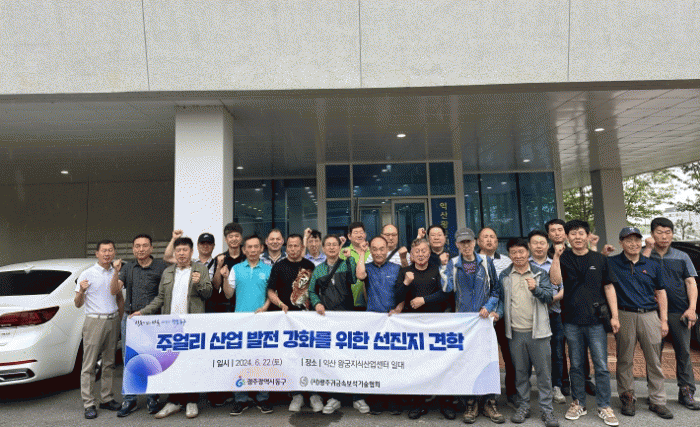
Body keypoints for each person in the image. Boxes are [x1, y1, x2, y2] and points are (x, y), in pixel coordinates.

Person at [132, 236, 212, 419]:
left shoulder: (200, 269)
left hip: (192, 326)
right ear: (175, 253)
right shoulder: (168, 272)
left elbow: (208, 294)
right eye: (179, 250)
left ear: (191, 252)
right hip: (171, 327)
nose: (182, 253)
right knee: (172, 363)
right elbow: (160, 298)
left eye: (185, 250)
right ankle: (174, 401)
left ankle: (191, 401)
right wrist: (143, 312)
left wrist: (199, 282)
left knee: (191, 363)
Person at [553, 220, 620, 426]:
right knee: (576, 365)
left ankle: (604, 406)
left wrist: (615, 316)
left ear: (588, 236)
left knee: (601, 365)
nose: (577, 237)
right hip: (571, 320)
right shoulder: (563, 258)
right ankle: (578, 403)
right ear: (567, 237)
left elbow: (608, 287)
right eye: (573, 234)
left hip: (596, 321)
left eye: (581, 233)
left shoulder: (599, 259)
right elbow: (555, 281)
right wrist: (556, 256)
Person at [442, 228, 504, 424]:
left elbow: (496, 290)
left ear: (475, 242)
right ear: (457, 245)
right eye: (462, 243)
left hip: (484, 321)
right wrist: (444, 268)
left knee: (488, 361)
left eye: (469, 242)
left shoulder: (486, 262)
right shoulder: (453, 264)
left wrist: (489, 307)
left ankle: (489, 402)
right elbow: (446, 289)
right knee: (467, 363)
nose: (466, 246)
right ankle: (470, 403)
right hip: (464, 324)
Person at [610, 226, 672, 419]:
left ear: (641, 242)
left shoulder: (652, 264)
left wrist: (664, 320)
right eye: (628, 240)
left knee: (654, 360)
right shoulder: (612, 263)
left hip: (649, 316)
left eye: (637, 240)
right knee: (625, 359)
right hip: (624, 314)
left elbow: (661, 292)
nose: (633, 244)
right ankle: (627, 397)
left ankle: (658, 401)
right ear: (621, 243)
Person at [497, 238, 558, 427]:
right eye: (513, 252)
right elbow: (501, 301)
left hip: (539, 333)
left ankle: (547, 410)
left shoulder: (540, 273)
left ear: (527, 253)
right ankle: (523, 406)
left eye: (521, 252)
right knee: (520, 373)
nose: (518, 256)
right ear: (509, 255)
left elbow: (549, 296)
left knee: (544, 374)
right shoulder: (505, 275)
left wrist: (536, 289)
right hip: (515, 333)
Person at [643, 217, 700, 410]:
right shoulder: (646, 255)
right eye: (659, 232)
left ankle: (686, 392)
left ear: (672, 234)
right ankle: (655, 393)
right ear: (652, 234)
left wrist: (692, 308)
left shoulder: (682, 256)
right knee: (653, 355)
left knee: (684, 353)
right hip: (651, 313)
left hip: (679, 312)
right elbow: (637, 273)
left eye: (668, 232)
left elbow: (691, 283)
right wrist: (647, 249)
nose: (664, 236)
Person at [308, 234, 369, 414]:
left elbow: (353, 279)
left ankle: (357, 397)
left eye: (335, 244)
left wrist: (349, 260)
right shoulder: (318, 270)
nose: (332, 247)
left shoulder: (345, 263)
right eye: (328, 245)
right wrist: (316, 303)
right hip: (328, 320)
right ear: (323, 248)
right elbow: (312, 291)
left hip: (348, 317)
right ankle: (335, 397)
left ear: (339, 247)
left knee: (352, 357)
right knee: (332, 359)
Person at [112, 234, 168, 417]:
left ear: (151, 248)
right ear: (133, 249)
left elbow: (164, 295)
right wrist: (115, 272)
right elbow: (114, 290)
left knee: (152, 359)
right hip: (131, 320)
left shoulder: (160, 267)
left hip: (153, 320)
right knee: (129, 359)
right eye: (137, 246)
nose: (141, 249)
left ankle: (153, 398)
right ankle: (130, 399)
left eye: (145, 246)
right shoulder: (128, 267)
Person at [265, 233, 322, 412]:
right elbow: (270, 291)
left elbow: (316, 290)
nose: (293, 249)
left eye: (296, 245)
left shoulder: (310, 266)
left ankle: (314, 394)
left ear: (301, 247)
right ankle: (296, 395)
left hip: (308, 320)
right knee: (292, 357)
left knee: (310, 356)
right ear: (286, 247)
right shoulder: (279, 266)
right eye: (290, 246)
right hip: (287, 320)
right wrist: (280, 304)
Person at [394, 238, 449, 420]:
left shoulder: (437, 270)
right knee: (417, 366)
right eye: (417, 251)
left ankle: (445, 403)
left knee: (440, 365)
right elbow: (397, 297)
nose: (420, 254)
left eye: (424, 251)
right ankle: (418, 404)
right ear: (411, 254)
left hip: (436, 325)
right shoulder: (405, 272)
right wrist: (406, 283)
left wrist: (424, 300)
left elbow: (446, 294)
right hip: (414, 327)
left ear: (429, 253)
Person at [223, 235, 274, 415]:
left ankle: (263, 397)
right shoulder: (236, 268)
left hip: (262, 322)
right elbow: (228, 294)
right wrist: (225, 278)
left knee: (262, 361)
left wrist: (265, 307)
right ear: (244, 250)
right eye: (249, 247)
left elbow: (271, 293)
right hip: (241, 322)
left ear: (261, 249)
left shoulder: (268, 269)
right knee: (241, 361)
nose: (252, 250)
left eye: (256, 247)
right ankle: (241, 399)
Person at [74, 240, 124, 420]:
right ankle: (89, 403)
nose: (107, 254)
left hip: (113, 320)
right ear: (96, 253)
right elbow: (77, 304)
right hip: (94, 321)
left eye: (110, 250)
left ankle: (106, 398)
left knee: (109, 363)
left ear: (114, 252)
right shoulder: (87, 274)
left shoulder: (116, 272)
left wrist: (120, 319)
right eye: (104, 250)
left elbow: (119, 298)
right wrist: (81, 290)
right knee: (89, 364)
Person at [356, 235, 404, 416]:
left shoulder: (396, 268)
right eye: (374, 249)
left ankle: (394, 401)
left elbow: (403, 293)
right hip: (373, 323)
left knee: (392, 363)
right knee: (375, 363)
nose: (378, 252)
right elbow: (359, 275)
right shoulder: (367, 268)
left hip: (393, 322)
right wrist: (362, 253)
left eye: (381, 249)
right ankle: (377, 400)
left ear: (387, 249)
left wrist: (399, 309)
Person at [546, 218, 594, 397]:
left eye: (560, 229)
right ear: (548, 234)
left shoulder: (576, 250)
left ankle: (585, 379)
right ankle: (563, 381)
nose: (557, 233)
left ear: (565, 234)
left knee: (581, 346)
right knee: (558, 347)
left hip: (576, 306)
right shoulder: (545, 253)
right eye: (553, 230)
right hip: (555, 309)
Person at [478, 226, 516, 407]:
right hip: (479, 317)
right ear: (478, 242)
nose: (489, 240)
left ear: (497, 241)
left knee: (509, 355)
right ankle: (482, 394)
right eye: (485, 237)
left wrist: (498, 312)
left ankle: (512, 393)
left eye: (492, 237)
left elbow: (505, 290)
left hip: (502, 316)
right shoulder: (471, 260)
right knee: (482, 356)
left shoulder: (507, 261)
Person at [528, 229, 566, 405]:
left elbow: (562, 288)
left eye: (542, 243)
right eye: (535, 243)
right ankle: (527, 387)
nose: (538, 246)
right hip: (530, 316)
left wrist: (550, 299)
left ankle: (556, 387)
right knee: (529, 353)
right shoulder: (523, 264)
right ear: (529, 246)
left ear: (547, 245)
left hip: (553, 314)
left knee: (556, 352)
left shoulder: (555, 262)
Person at [340, 221, 370, 310]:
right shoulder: (343, 252)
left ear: (365, 235)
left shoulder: (372, 252)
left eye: (361, 232)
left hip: (369, 299)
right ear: (349, 236)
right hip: (348, 299)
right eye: (356, 233)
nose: (359, 235)